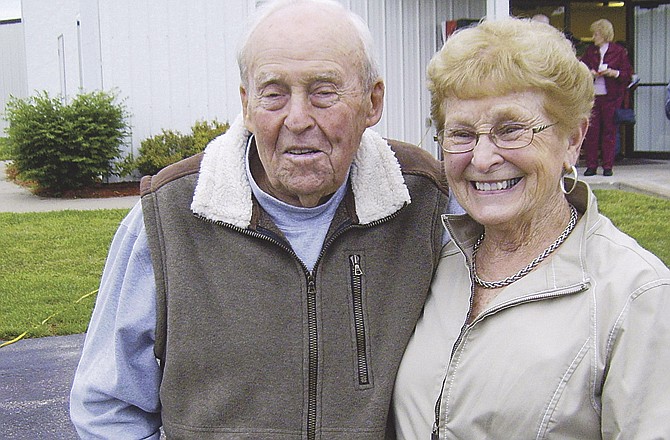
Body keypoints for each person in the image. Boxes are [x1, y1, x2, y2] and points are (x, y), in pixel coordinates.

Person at [69, 0, 453, 438]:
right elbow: (107, 407)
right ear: (246, 104)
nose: (298, 118)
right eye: (273, 93)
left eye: (324, 91)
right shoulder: (169, 216)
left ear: (372, 101)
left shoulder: (428, 202)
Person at [393, 18, 670, 439]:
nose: (482, 159)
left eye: (511, 130)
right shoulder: (432, 260)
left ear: (573, 139)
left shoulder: (635, 296)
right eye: (462, 134)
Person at [580, 19, 632, 177]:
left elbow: (626, 75)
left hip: (611, 98)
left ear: (604, 34)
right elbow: (580, 68)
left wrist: (613, 73)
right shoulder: (590, 51)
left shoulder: (618, 51)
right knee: (591, 133)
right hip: (594, 97)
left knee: (609, 132)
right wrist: (590, 73)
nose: (594, 37)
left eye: (596, 33)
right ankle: (591, 166)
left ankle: (608, 166)